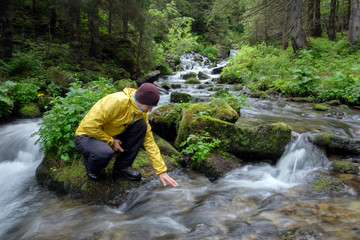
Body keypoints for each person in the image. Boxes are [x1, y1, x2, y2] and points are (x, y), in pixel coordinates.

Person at [74, 83, 178, 187]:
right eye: (149, 106)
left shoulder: (141, 111)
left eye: (152, 107)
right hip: (87, 135)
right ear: (140, 100)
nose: (150, 110)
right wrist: (111, 141)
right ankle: (90, 166)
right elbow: (89, 127)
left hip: (111, 134)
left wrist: (161, 170)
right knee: (104, 153)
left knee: (141, 126)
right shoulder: (116, 101)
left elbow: (148, 140)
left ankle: (122, 166)